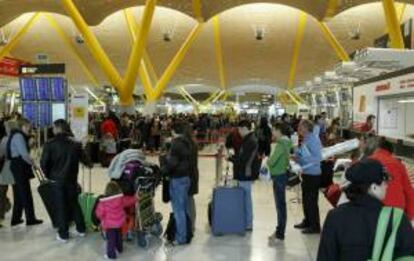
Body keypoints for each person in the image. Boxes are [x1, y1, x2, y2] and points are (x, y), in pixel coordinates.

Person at [317, 159, 414, 260]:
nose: (386, 185)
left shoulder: (335, 216)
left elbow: (325, 256)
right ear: (373, 187)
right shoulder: (396, 218)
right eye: (384, 181)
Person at [40, 119, 91, 242]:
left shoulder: (49, 144)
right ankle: (81, 229)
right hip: (72, 179)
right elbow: (87, 161)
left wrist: (49, 175)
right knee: (74, 203)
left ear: (58, 128)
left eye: (54, 127)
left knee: (60, 206)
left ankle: (63, 234)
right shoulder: (75, 144)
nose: (52, 129)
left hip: (56, 180)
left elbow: (43, 163)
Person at [370, 138, 414, 224]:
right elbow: (409, 192)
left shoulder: (366, 162)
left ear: (377, 149)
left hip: (371, 211)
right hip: (396, 212)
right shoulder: (398, 164)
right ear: (391, 152)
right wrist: (410, 217)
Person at [7, 118, 42, 227]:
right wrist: (34, 163)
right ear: (23, 126)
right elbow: (24, 155)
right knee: (25, 193)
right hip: (19, 166)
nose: (29, 129)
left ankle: (16, 219)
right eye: (28, 127)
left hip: (16, 165)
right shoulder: (18, 136)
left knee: (18, 193)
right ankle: (30, 219)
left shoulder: (17, 135)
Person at [163, 121, 193, 244]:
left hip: (177, 179)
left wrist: (162, 170)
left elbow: (172, 163)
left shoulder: (176, 144)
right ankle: (186, 234)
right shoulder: (187, 142)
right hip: (186, 178)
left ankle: (181, 238)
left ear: (174, 131)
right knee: (184, 208)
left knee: (178, 210)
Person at [229, 120, 260, 231]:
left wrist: (231, 159)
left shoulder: (250, 141)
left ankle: (248, 223)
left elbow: (243, 160)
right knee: (245, 198)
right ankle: (246, 221)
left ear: (244, 128)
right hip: (245, 173)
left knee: (246, 199)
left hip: (246, 173)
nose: (238, 132)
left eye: (239, 129)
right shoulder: (248, 140)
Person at [294, 119, 323, 234]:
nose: (299, 129)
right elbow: (304, 153)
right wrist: (296, 155)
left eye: (301, 127)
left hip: (313, 174)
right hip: (307, 173)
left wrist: (301, 159)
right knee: (306, 200)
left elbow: (317, 158)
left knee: (311, 201)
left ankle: (315, 226)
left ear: (306, 128)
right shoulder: (306, 139)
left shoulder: (314, 139)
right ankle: (307, 221)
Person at [95, 181, 137, 259]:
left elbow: (99, 213)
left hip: (109, 225)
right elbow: (129, 201)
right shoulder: (121, 199)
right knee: (118, 236)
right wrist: (136, 198)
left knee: (111, 240)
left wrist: (101, 218)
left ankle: (111, 255)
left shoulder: (103, 203)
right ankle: (120, 249)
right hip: (119, 223)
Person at [267, 123, 293, 242]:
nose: (272, 133)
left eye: (273, 130)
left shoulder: (281, 144)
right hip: (281, 174)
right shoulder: (287, 142)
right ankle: (279, 230)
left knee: (280, 206)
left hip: (278, 176)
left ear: (278, 131)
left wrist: (267, 160)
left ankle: (280, 234)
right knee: (280, 205)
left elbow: (272, 161)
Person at [0, 120, 17, 228]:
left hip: (6, 167)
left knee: (2, 190)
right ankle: (14, 212)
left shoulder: (5, 140)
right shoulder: (18, 138)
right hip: (16, 167)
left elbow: (1, 154)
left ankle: (2, 211)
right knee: (17, 192)